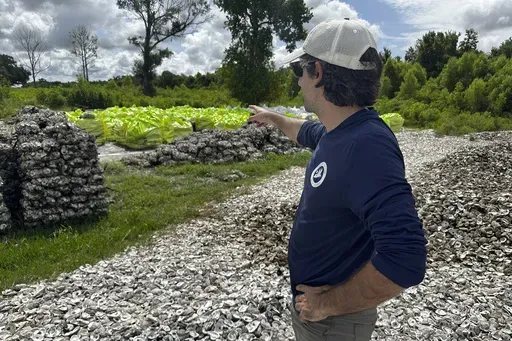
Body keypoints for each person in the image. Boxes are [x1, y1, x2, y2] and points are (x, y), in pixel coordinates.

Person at [247, 19, 427, 341]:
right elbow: (305, 131)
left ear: (318, 72)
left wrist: (327, 304)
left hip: (333, 324)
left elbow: (405, 257)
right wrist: (273, 117)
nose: (298, 82)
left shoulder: (366, 146)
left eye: (298, 72)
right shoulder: (339, 131)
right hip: (320, 316)